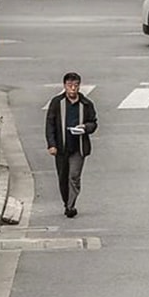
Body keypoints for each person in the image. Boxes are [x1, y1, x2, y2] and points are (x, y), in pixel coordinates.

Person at [45, 72, 99, 218]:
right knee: (63, 177)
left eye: (76, 86)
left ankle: (71, 205)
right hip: (61, 147)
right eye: (70, 86)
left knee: (74, 176)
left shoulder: (86, 104)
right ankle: (66, 201)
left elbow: (93, 123)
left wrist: (85, 128)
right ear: (64, 86)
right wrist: (51, 144)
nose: (73, 89)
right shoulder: (57, 103)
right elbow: (50, 124)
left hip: (78, 147)